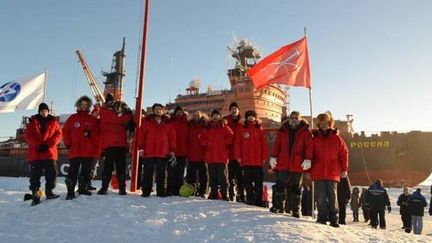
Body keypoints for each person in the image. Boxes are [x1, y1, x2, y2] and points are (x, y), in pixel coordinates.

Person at [269, 111, 313, 218]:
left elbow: (309, 146)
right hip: (283, 162)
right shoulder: (282, 131)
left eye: (296, 118)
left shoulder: (305, 132)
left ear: (299, 119)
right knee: (280, 184)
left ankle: (295, 210)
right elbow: (277, 145)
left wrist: (308, 159)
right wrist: (273, 156)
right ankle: (278, 206)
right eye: (292, 117)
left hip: (297, 164)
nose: (293, 119)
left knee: (296, 187)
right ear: (289, 119)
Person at [310, 112, 349, 227]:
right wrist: (308, 171)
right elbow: (309, 155)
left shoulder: (337, 138)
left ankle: (334, 219)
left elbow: (344, 153)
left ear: (329, 123)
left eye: (325, 123)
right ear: (319, 124)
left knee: (333, 196)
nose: (323, 125)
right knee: (320, 197)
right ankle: (322, 218)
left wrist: (344, 169)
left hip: (332, 172)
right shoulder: (314, 138)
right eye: (321, 123)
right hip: (318, 172)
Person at [24, 103, 62, 206]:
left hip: (49, 153)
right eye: (42, 111)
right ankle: (36, 195)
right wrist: (38, 145)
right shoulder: (32, 122)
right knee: (34, 176)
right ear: (39, 111)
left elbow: (58, 135)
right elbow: (28, 136)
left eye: (45, 110)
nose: (44, 112)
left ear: (48, 111)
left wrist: (47, 145)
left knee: (52, 174)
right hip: (35, 154)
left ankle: (49, 192)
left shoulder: (54, 122)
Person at [62, 96, 100, 200]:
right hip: (75, 150)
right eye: (82, 104)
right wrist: (68, 143)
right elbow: (65, 131)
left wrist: (90, 134)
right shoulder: (72, 118)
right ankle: (70, 192)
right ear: (79, 105)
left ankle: (83, 188)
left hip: (88, 150)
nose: (84, 106)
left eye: (86, 105)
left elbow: (98, 134)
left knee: (86, 171)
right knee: (72, 171)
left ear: (88, 106)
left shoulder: (92, 120)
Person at [97, 94, 135, 195]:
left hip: (114, 144)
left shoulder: (104, 112)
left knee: (112, 167)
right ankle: (119, 188)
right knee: (117, 167)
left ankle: (106, 188)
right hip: (116, 144)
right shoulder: (106, 113)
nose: (111, 104)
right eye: (110, 102)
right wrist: (128, 112)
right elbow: (120, 119)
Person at [138, 103, 176, 197]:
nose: (158, 110)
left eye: (160, 109)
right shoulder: (146, 121)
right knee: (147, 172)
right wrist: (141, 148)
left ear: (163, 111)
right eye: (156, 109)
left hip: (163, 151)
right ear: (153, 110)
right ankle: (146, 191)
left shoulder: (168, 122)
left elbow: (172, 137)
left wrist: (172, 150)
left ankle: (161, 191)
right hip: (149, 151)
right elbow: (141, 134)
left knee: (162, 173)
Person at [234, 110, 268, 207]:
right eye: (249, 116)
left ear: (255, 117)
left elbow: (264, 145)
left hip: (257, 162)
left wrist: (264, 157)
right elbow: (237, 144)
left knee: (258, 182)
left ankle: (258, 200)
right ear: (246, 117)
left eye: (252, 116)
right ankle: (250, 199)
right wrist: (238, 157)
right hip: (246, 161)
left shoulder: (260, 130)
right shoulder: (242, 130)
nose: (251, 118)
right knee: (247, 182)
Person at [202, 109, 234, 200]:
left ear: (220, 116)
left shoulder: (224, 126)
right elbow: (202, 139)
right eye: (214, 115)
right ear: (211, 117)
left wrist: (224, 143)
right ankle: (214, 194)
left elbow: (231, 136)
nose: (215, 117)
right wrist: (207, 143)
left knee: (223, 177)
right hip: (211, 156)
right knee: (212, 177)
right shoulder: (207, 127)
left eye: (217, 115)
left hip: (222, 157)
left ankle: (224, 194)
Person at [224, 102, 244, 202]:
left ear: (238, 110)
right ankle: (231, 194)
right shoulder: (225, 121)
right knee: (230, 176)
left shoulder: (242, 122)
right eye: (232, 108)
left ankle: (240, 195)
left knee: (240, 176)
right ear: (230, 110)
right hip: (229, 154)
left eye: (235, 108)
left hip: (240, 154)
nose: (234, 110)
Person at [167, 105, 189, 196]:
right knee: (171, 172)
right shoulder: (170, 122)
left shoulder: (186, 123)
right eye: (177, 112)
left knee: (180, 172)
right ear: (175, 113)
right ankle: (170, 189)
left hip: (183, 152)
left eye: (181, 112)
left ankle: (179, 190)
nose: (179, 113)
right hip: (172, 152)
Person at [186, 111, 208, 197]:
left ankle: (203, 191)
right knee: (191, 175)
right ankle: (191, 190)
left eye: (198, 115)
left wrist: (203, 141)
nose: (196, 117)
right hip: (192, 154)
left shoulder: (206, 126)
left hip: (203, 155)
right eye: (195, 115)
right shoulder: (190, 126)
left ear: (202, 116)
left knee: (203, 175)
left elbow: (209, 139)